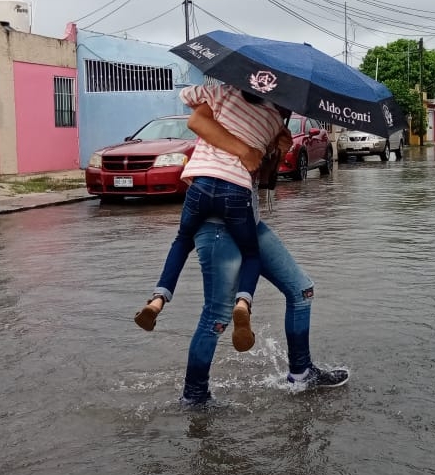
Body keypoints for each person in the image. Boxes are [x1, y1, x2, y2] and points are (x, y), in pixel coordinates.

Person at [180, 101, 349, 405]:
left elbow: (264, 181)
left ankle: (301, 373)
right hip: (215, 224)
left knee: (301, 290)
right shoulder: (225, 103)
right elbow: (197, 121)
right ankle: (194, 397)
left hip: (249, 220)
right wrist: (245, 150)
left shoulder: (271, 117)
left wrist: (278, 149)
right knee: (216, 314)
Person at [134, 82, 283, 352]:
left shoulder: (221, 92)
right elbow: (264, 165)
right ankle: (243, 303)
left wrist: (215, 98)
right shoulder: (273, 119)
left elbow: (187, 96)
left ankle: (157, 300)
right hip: (236, 190)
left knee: (181, 241)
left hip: (200, 184)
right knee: (252, 254)